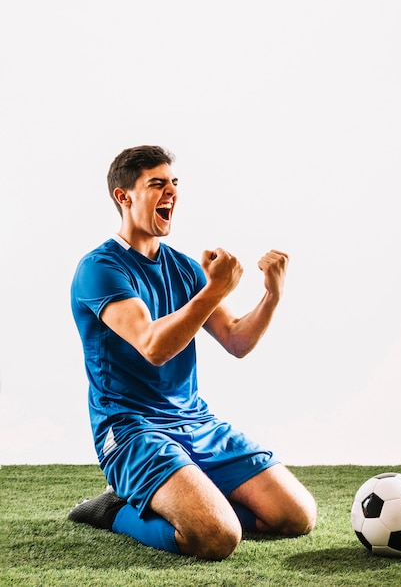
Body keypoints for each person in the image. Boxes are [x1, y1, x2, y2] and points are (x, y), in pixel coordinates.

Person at [69, 145, 316, 560]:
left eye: (174, 183)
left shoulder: (183, 268)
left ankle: (188, 496)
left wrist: (271, 297)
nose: (171, 192)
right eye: (157, 184)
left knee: (296, 516)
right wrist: (215, 289)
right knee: (216, 538)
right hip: (131, 431)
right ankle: (114, 509)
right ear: (123, 197)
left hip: (195, 422)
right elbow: (153, 346)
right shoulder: (100, 269)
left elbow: (237, 340)